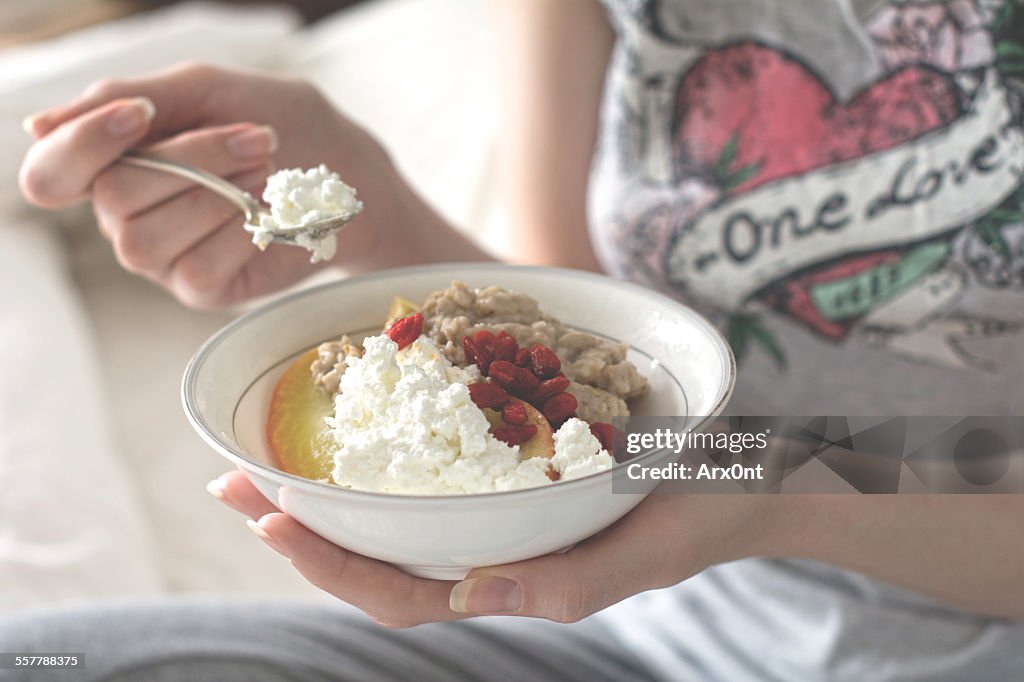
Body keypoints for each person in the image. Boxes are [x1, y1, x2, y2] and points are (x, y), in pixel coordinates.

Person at [6, 1, 1024, 680]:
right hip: (630, 640)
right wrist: (369, 214)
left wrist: (771, 484)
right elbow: (574, 344)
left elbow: (708, 464)